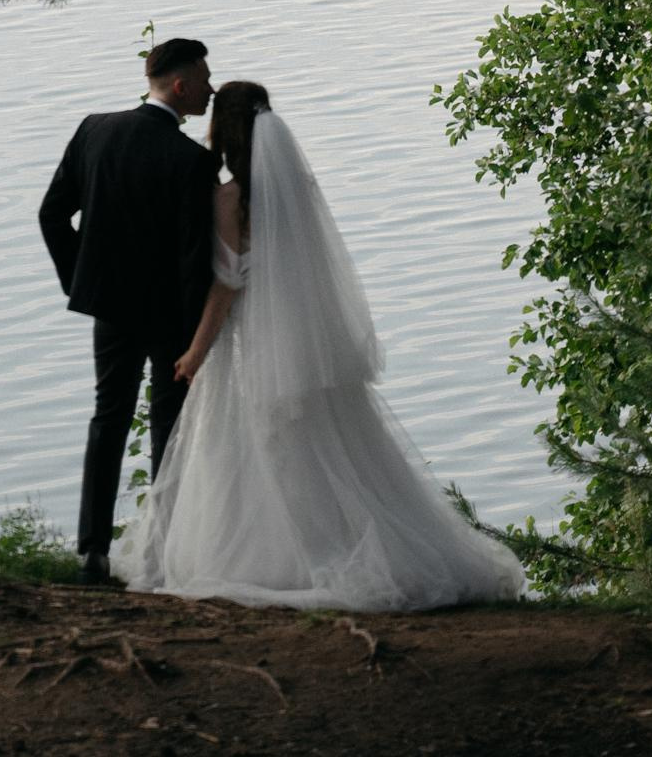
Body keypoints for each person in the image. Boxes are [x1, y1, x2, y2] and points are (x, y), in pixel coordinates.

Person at [115, 80, 525, 610]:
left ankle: (282, 560)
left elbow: (228, 283)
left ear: (226, 128)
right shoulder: (297, 189)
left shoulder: (230, 198)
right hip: (300, 345)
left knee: (256, 452)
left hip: (253, 346)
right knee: (332, 452)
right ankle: (342, 548)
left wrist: (195, 351)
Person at [39, 34, 218, 586]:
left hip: (110, 305)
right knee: (169, 424)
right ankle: (160, 550)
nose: (211, 89)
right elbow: (193, 258)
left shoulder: (96, 130)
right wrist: (196, 340)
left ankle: (91, 549)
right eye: (205, 79)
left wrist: (84, 282)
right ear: (182, 85)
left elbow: (51, 215)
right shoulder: (193, 161)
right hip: (170, 314)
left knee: (107, 418)